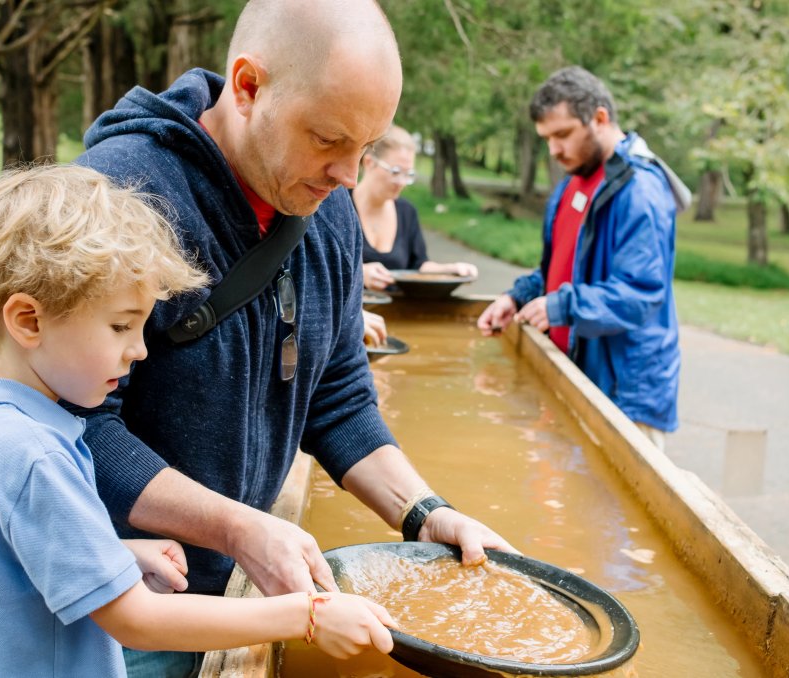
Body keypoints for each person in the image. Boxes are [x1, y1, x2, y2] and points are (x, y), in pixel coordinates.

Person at [72, 1, 515, 675]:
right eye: (329, 139)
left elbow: (336, 397)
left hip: (240, 589)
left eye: (367, 149)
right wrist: (240, 526)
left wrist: (425, 514)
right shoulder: (119, 195)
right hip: (120, 599)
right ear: (248, 87)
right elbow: (70, 428)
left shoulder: (329, 209)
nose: (349, 177)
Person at [0, 165, 397, 678]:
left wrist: (109, 554)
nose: (139, 350)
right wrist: (308, 615)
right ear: (29, 320)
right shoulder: (35, 454)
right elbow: (138, 621)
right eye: (121, 326)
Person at [476, 66, 688, 448]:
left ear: (600, 118)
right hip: (573, 375)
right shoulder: (570, 185)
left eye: (562, 134)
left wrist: (561, 307)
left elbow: (640, 294)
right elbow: (558, 271)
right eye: (546, 139)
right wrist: (516, 297)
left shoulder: (640, 191)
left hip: (624, 396)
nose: (554, 150)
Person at [353, 125, 479, 291]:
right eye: (396, 171)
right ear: (369, 163)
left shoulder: (407, 212)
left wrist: (451, 269)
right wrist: (359, 274)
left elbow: (418, 266)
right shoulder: (338, 207)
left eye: (408, 174)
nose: (402, 182)